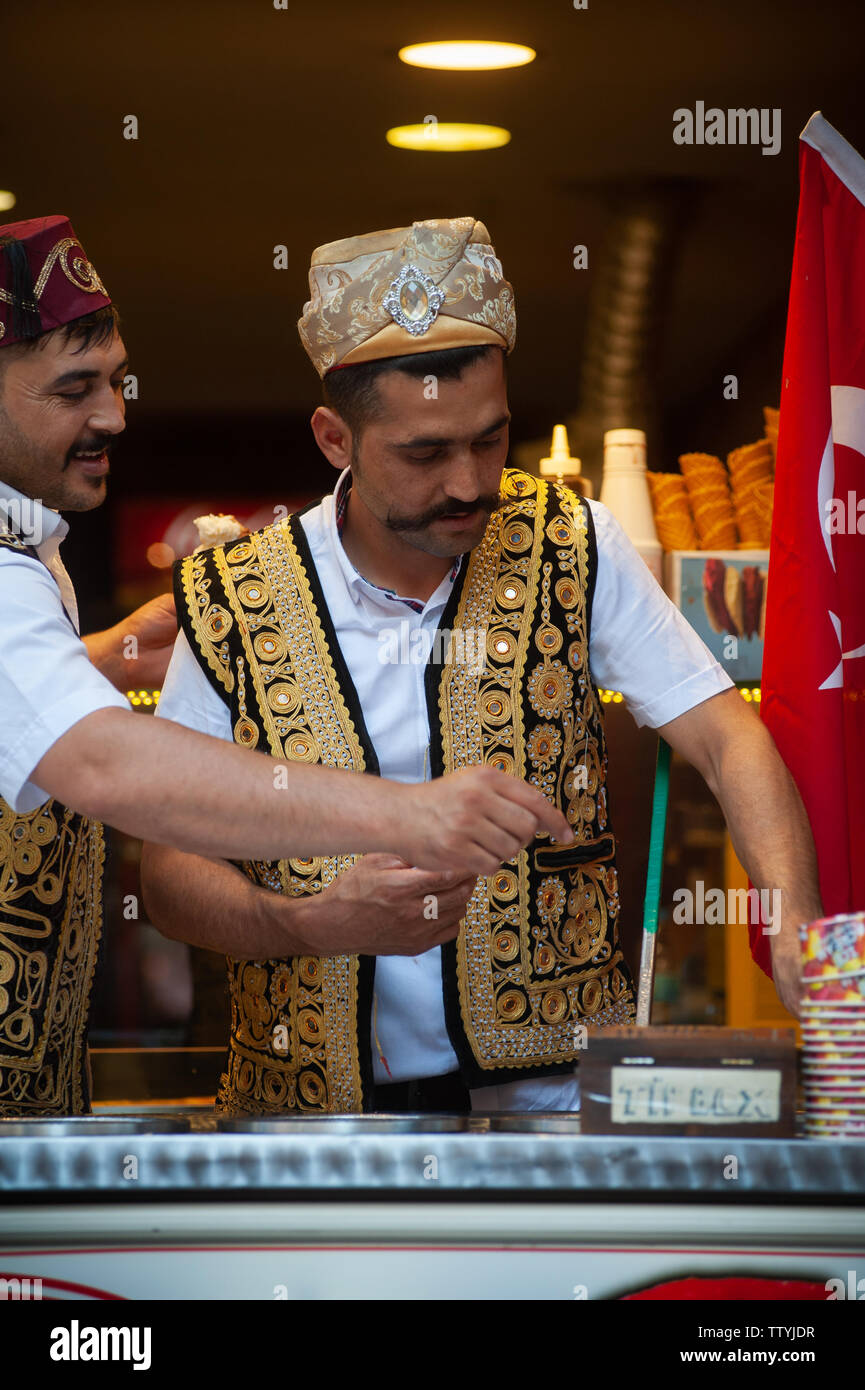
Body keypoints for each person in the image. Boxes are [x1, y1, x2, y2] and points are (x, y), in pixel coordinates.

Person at [141, 216, 823, 1117]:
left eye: (490, 440)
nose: (468, 482)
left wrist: (793, 925)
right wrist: (298, 924)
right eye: (424, 453)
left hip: (553, 1104)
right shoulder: (230, 596)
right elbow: (166, 865)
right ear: (334, 440)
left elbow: (727, 735)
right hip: (317, 1118)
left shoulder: (570, 540)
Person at [0, 216, 570, 1115]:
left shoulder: (33, 550)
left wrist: (104, 660)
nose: (114, 413)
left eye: (113, 380)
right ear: (336, 442)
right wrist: (414, 813)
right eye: (75, 389)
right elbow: (104, 764)